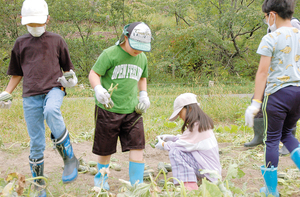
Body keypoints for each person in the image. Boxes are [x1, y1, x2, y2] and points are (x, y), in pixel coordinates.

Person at [0, 0, 79, 196]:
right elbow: (16, 74)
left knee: (51, 111)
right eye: (31, 23)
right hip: (30, 95)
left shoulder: (57, 40)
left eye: (38, 23)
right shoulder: (20, 43)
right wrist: (7, 92)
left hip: (54, 88)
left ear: (47, 19)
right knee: (36, 142)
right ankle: (38, 183)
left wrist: (72, 79)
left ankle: (69, 158)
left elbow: (68, 69)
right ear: (22, 20)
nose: (35, 27)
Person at [245, 0, 300, 196]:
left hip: (277, 95)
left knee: (272, 140)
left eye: (266, 16)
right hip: (298, 93)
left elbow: (262, 73)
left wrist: (255, 103)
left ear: (273, 15)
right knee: (287, 134)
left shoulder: (271, 38)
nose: (266, 20)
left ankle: (271, 190)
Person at [88, 22, 152, 190]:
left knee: (137, 145)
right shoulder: (110, 54)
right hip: (108, 109)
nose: (138, 50)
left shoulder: (142, 58)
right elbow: (94, 73)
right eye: (135, 46)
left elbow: (142, 77)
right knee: (105, 149)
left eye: (142, 47)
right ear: (126, 37)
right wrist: (98, 89)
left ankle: (136, 184)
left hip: (133, 110)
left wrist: (143, 95)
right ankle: (101, 182)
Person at [244, 17, 300, 154]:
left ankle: (287, 143)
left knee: (284, 114)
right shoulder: (272, 28)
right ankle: (258, 136)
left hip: (289, 79)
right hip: (272, 77)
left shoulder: (293, 24)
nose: (265, 18)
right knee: (257, 102)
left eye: (266, 15)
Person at [155, 93, 222, 191]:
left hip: (209, 175)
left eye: (179, 113)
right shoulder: (201, 124)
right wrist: (172, 138)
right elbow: (188, 142)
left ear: (189, 108)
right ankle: (194, 181)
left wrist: (164, 144)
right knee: (179, 149)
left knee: (175, 152)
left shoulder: (197, 127)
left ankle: (189, 188)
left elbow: (181, 145)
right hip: (212, 172)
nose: (179, 117)